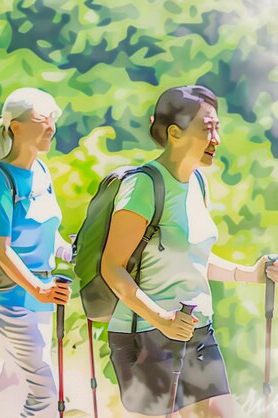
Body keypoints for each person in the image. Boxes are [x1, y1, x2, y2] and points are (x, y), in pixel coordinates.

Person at [101, 85, 278, 417]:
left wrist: (249, 274)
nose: (216, 139)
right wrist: (162, 319)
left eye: (217, 127)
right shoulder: (143, 186)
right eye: (206, 127)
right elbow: (112, 266)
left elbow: (192, 258)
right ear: (175, 133)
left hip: (196, 330)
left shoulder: (197, 183)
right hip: (146, 336)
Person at [0, 88, 72, 418]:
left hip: (40, 300)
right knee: (44, 393)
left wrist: (71, 252)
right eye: (42, 119)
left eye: (52, 119)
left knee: (12, 389)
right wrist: (37, 287)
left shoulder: (42, 172)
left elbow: (48, 231)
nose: (50, 127)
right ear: (15, 127)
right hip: (9, 301)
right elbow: (0, 249)